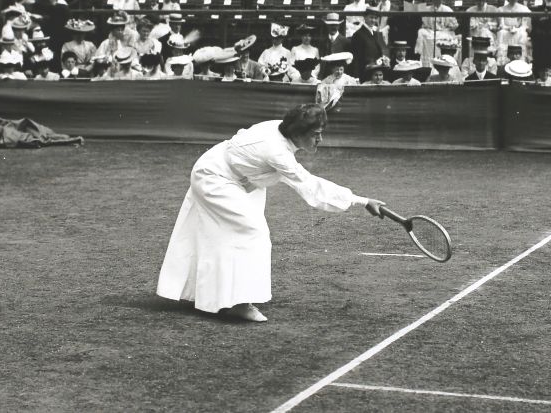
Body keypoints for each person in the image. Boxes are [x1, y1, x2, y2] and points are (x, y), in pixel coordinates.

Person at [156, 104, 385, 322]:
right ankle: (239, 304)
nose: (320, 139)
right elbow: (310, 186)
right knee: (252, 232)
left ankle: (222, 297)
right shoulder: (276, 152)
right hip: (214, 177)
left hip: (244, 178)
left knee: (231, 235)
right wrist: (361, 201)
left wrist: (360, 201)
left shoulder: (282, 135)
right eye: (316, 133)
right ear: (298, 132)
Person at [414, 0, 458, 66]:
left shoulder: (447, 10)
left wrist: (448, 27)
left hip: (443, 31)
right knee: (421, 32)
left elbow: (454, 25)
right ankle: (426, 63)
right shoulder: (426, 9)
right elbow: (424, 24)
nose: (437, 1)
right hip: (430, 31)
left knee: (446, 37)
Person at [349, 6, 386, 82]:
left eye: (375, 18)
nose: (373, 20)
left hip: (375, 75)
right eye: (371, 17)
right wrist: (356, 77)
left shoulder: (375, 34)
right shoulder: (358, 35)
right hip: (364, 74)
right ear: (365, 17)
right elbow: (356, 58)